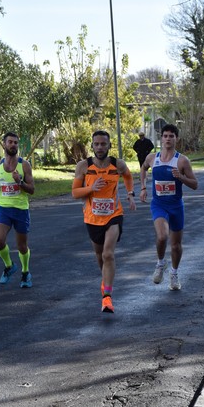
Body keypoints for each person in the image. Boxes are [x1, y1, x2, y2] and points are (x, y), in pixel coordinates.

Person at [72, 130, 136, 313]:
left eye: (103, 144)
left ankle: (107, 297)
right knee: (100, 257)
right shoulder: (83, 166)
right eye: (97, 144)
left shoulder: (118, 164)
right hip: (92, 218)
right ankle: (105, 283)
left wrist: (130, 195)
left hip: (114, 215)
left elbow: (128, 176)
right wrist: (91, 188)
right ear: (92, 146)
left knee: (108, 254)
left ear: (109, 145)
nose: (100, 147)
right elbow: (75, 193)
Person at [140, 123, 198, 290]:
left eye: (171, 136)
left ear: (176, 139)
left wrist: (181, 177)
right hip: (158, 205)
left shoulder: (182, 160)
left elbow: (195, 184)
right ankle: (160, 263)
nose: (168, 139)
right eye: (165, 136)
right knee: (162, 236)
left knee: (176, 245)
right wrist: (143, 187)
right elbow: (143, 169)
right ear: (161, 138)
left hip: (176, 207)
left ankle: (174, 273)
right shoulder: (152, 158)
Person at [0, 132, 35, 287]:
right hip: (4, 208)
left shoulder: (24, 165)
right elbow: (0, 180)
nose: (13, 145)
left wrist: (19, 182)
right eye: (10, 142)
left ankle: (25, 272)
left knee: (22, 246)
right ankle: (9, 266)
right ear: (4, 144)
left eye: (16, 142)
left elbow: (32, 190)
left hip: (21, 209)